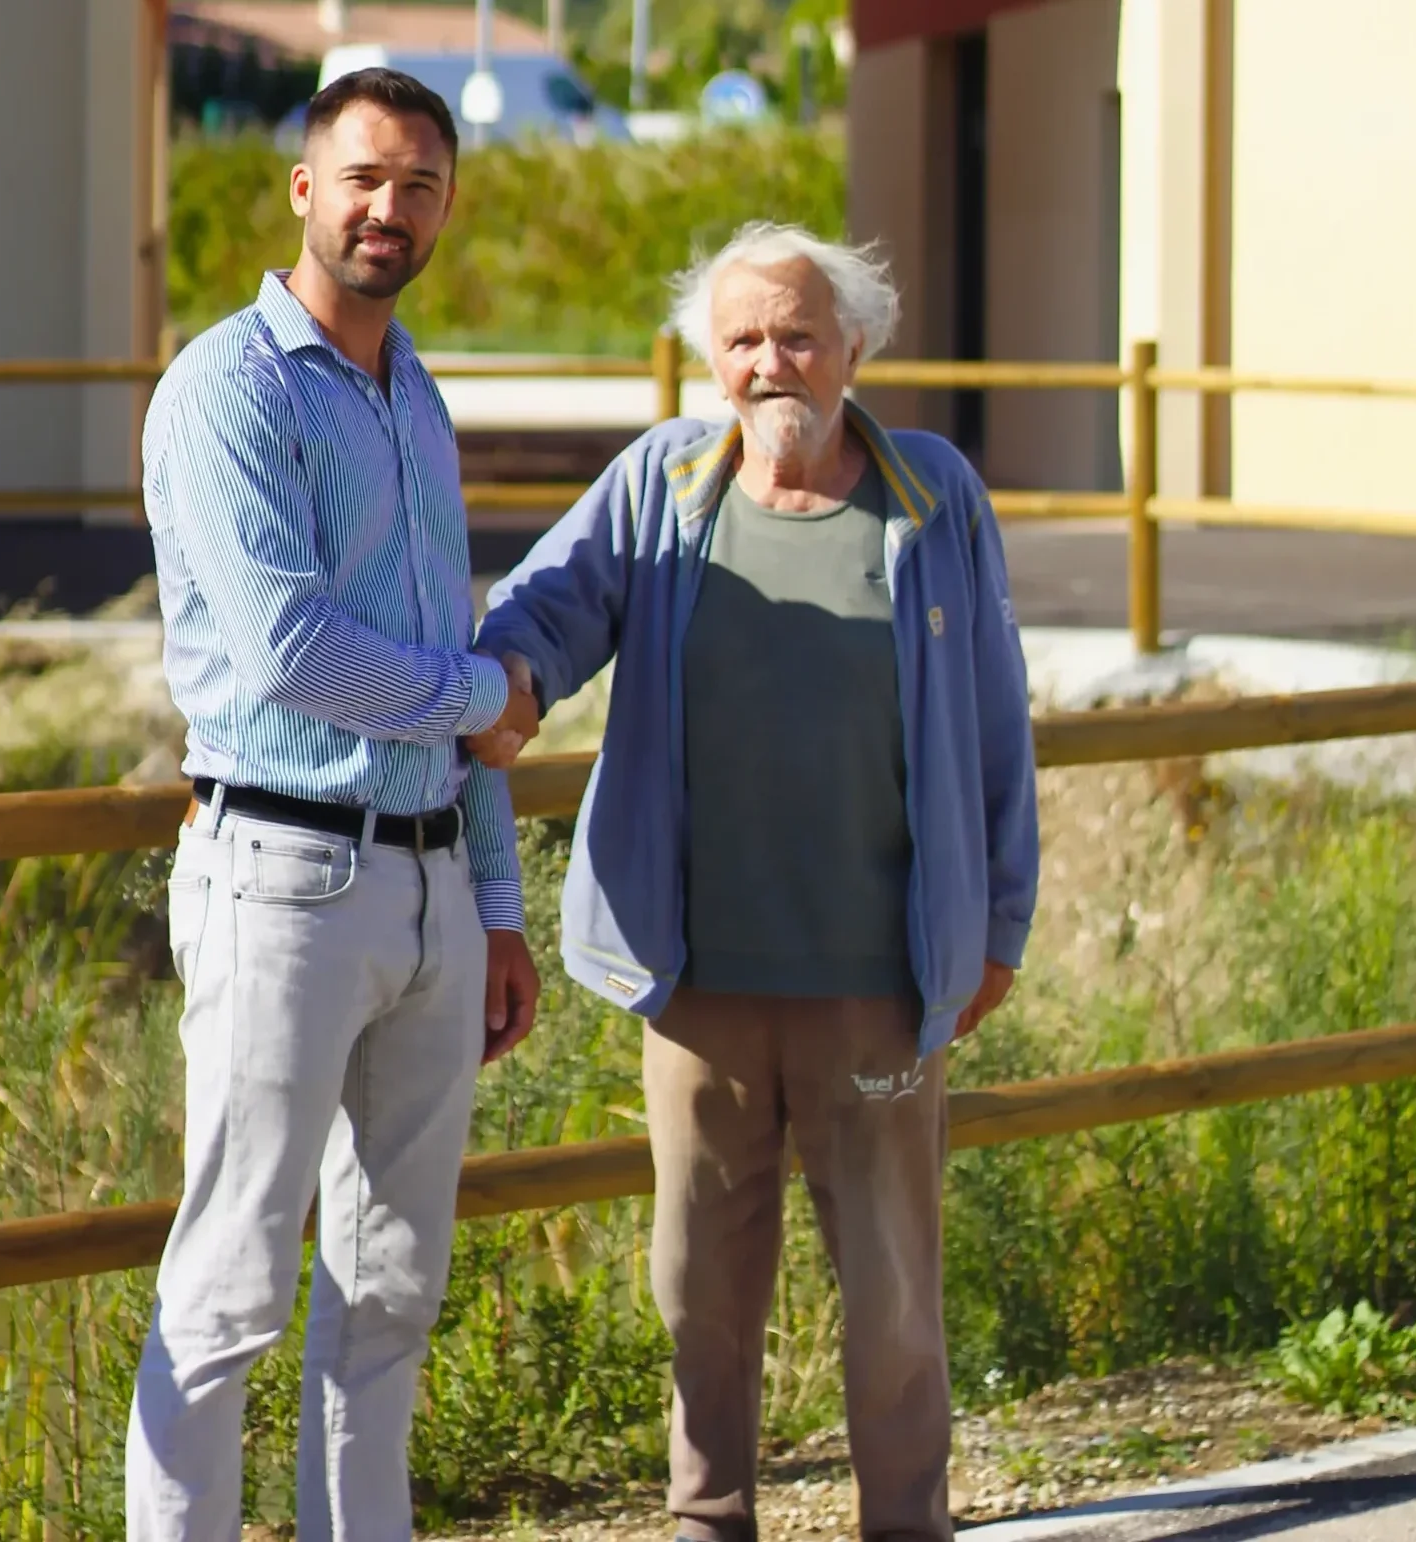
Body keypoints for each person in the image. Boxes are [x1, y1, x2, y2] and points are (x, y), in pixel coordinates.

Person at [469, 222, 1039, 1542]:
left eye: (794, 334)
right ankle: (705, 1520)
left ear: (850, 347)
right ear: (706, 359)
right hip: (698, 976)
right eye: (741, 340)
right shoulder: (659, 483)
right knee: (697, 1289)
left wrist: (996, 923)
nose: (769, 362)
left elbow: (998, 724)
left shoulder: (932, 493)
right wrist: (505, 680)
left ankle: (905, 1522)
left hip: (880, 981)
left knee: (893, 1297)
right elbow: (547, 605)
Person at [126, 68, 541, 1542]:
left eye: (420, 184)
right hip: (282, 877)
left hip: (429, 883)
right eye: (365, 177)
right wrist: (478, 699)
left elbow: (464, 656)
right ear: (302, 189)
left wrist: (493, 902)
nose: (390, 207)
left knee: (389, 1290)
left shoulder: (412, 389)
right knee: (229, 1284)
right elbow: (291, 651)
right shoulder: (227, 387)